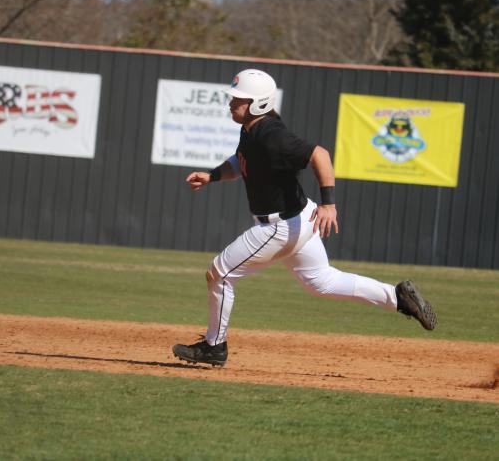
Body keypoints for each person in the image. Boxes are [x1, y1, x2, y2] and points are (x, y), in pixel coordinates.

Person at [172, 69, 437, 367]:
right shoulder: (252, 129)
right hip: (299, 219)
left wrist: (329, 204)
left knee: (219, 274)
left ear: (258, 103)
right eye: (233, 98)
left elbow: (319, 155)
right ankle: (398, 297)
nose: (232, 103)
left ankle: (214, 346)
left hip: (279, 226)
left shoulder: (272, 135)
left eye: (239, 99)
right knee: (321, 282)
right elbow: (241, 161)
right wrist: (213, 175)